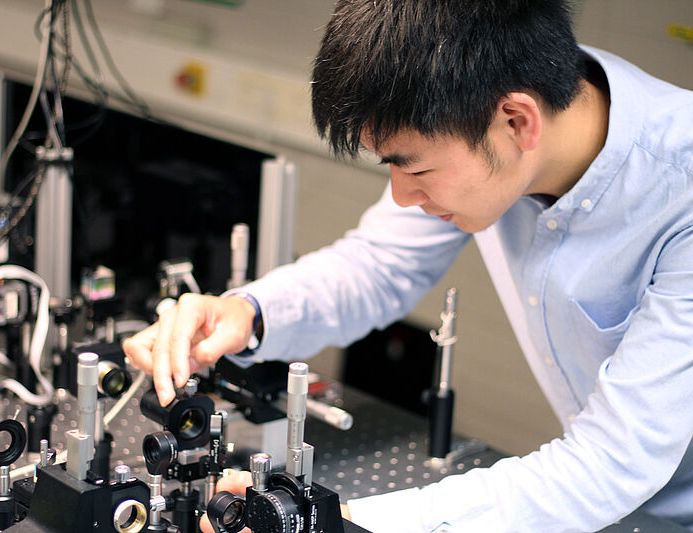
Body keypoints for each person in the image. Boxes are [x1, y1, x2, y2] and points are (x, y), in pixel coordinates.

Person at [123, 0, 693, 531]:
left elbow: (611, 463)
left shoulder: (680, 195)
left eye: (415, 170)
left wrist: (346, 522)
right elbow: (378, 265)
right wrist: (245, 313)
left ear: (519, 122)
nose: (400, 196)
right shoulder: (496, 126)